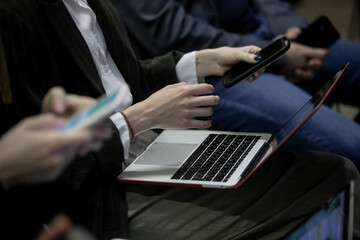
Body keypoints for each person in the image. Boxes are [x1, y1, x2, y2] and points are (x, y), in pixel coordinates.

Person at [0, 1, 359, 240]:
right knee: (333, 173)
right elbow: (39, 172)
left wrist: (200, 62)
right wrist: (139, 118)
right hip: (104, 191)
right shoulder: (16, 16)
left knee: (333, 169)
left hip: (149, 147)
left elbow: (119, 79)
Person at [110, 0, 360, 169]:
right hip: (214, 73)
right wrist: (277, 57)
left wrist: (289, 30)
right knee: (351, 145)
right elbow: (172, 34)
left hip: (265, 38)